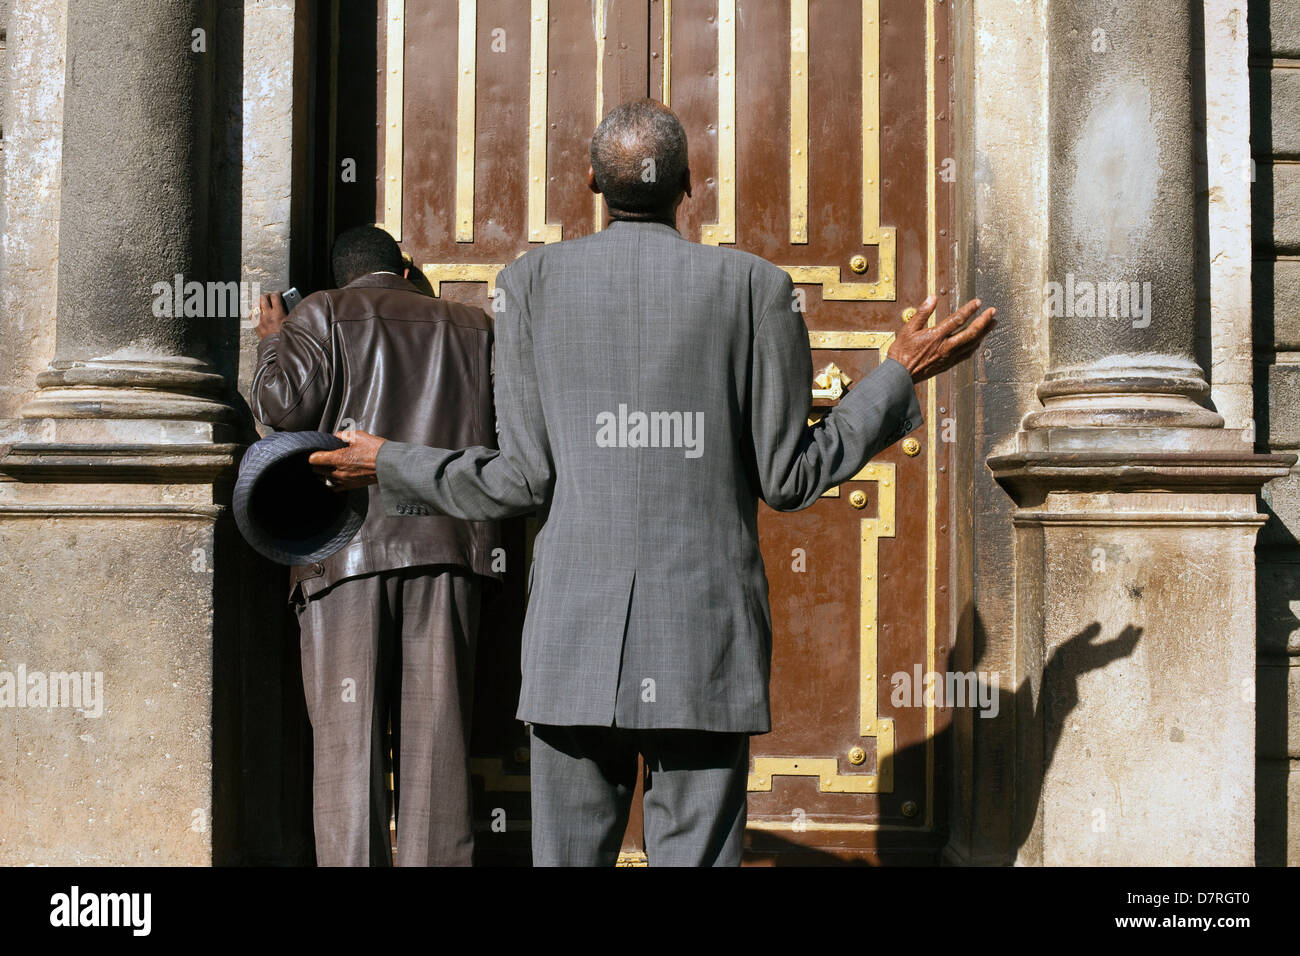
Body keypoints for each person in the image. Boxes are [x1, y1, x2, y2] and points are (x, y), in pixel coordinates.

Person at [308, 101, 996, 866]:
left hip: (575, 647)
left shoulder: (530, 284)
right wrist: (896, 374)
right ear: (689, 185)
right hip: (704, 643)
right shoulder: (757, 288)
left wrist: (388, 460)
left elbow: (517, 482)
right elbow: (791, 478)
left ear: (591, 182)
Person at [250, 225, 499, 866]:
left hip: (345, 551)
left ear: (341, 275)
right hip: (449, 547)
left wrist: (274, 343)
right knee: (438, 751)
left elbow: (282, 409)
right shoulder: (473, 326)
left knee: (347, 751)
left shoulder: (321, 312)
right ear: (407, 269)